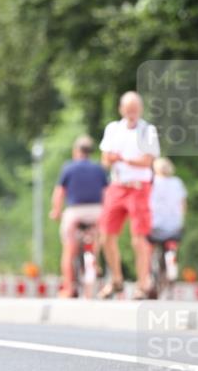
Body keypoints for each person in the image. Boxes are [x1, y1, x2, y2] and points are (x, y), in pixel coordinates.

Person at [98, 91, 160, 299]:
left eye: (135, 109)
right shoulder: (113, 129)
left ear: (140, 110)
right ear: (121, 109)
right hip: (117, 185)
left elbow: (147, 160)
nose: (131, 113)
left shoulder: (148, 131)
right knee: (106, 234)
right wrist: (114, 159)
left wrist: (122, 159)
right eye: (128, 109)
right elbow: (105, 158)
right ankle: (116, 278)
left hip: (139, 186)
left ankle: (143, 282)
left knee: (138, 238)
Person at [49, 135, 108, 297]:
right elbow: (106, 193)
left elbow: (59, 192)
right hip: (97, 211)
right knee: (97, 239)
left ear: (76, 151)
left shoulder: (68, 168)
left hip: (75, 212)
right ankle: (94, 260)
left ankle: (68, 287)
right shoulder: (99, 168)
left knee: (68, 249)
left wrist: (56, 211)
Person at [149, 157, 187, 282]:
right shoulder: (177, 182)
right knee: (172, 244)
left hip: (155, 224)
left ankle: (150, 270)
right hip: (174, 224)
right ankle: (172, 259)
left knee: (149, 246)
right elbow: (183, 203)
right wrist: (181, 219)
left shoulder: (152, 182)